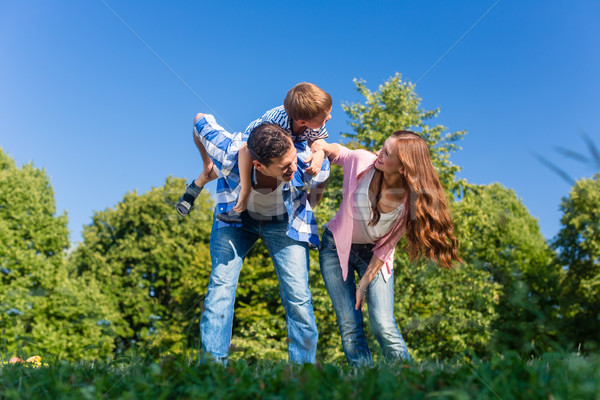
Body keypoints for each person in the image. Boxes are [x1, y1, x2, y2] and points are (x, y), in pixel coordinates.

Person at [313, 131, 462, 366]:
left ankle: (409, 380)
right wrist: (320, 149)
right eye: (383, 148)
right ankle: (363, 381)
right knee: (350, 324)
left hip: (372, 255)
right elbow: (334, 150)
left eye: (387, 153)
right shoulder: (363, 161)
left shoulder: (412, 202)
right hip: (335, 248)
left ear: (403, 168)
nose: (379, 154)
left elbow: (386, 247)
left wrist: (364, 284)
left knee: (383, 324)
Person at [193, 112, 330, 364]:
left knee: (298, 296)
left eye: (293, 160)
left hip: (283, 224)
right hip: (236, 221)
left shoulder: (305, 160)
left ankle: (303, 372)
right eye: (285, 166)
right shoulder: (228, 152)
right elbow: (200, 119)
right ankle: (212, 368)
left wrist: (307, 207)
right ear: (259, 166)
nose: (293, 168)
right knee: (220, 288)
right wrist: (206, 165)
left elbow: (320, 181)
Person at [176, 82, 332, 220]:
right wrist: (245, 189)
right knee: (221, 168)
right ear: (303, 121)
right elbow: (246, 150)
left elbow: (317, 140)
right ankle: (195, 187)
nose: (329, 118)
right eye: (324, 118)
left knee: (303, 166)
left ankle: (301, 215)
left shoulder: (315, 120)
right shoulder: (275, 121)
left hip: (291, 147)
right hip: (253, 143)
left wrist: (319, 153)